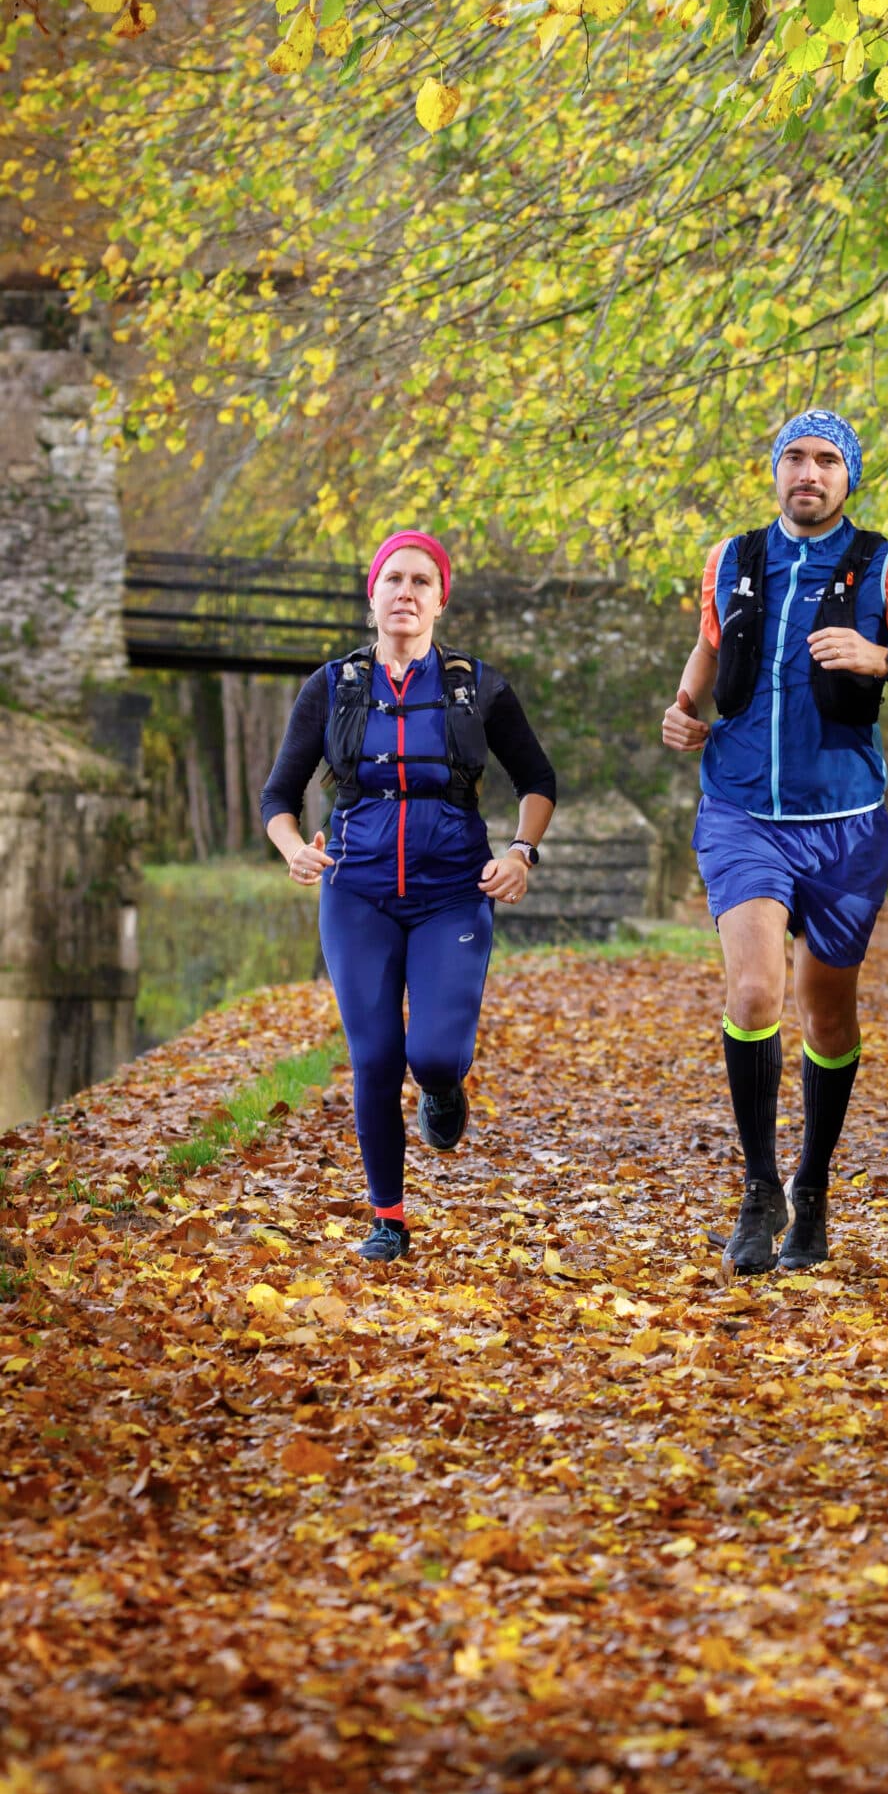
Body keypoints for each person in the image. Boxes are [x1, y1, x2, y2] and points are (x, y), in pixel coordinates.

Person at [662, 412, 888, 1275]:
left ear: (849, 477)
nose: (809, 472)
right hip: (740, 814)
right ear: (774, 471)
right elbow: (707, 647)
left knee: (827, 1012)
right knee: (756, 992)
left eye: (827, 460)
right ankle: (760, 1189)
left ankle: (813, 1185)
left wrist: (886, 661)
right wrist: (684, 711)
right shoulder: (731, 560)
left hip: (844, 827)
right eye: (794, 457)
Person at [261, 530, 557, 1262]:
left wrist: (521, 852)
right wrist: (296, 848)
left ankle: (444, 1090)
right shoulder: (332, 686)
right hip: (356, 892)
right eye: (393, 579)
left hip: (451, 894)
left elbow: (537, 780)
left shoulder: (475, 686)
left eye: (422, 581)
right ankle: (387, 1218)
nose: (406, 593)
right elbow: (278, 792)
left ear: (439, 599)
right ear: (373, 595)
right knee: (373, 1057)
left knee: (430, 1053)